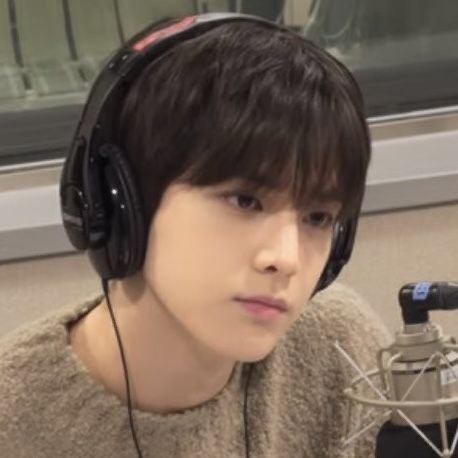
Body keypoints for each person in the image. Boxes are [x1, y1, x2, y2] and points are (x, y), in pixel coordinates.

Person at [0, 13, 392, 458]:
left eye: (317, 218)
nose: (286, 259)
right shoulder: (13, 424)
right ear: (122, 203)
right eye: (245, 201)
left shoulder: (341, 348)